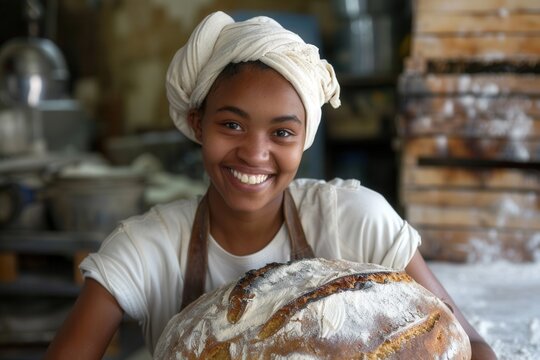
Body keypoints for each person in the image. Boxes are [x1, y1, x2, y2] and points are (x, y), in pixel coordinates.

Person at [45, 11, 497, 359]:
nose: (254, 154)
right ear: (199, 124)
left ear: (304, 141)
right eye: (232, 125)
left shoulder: (355, 219)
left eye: (281, 133)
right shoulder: (147, 248)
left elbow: (469, 346)